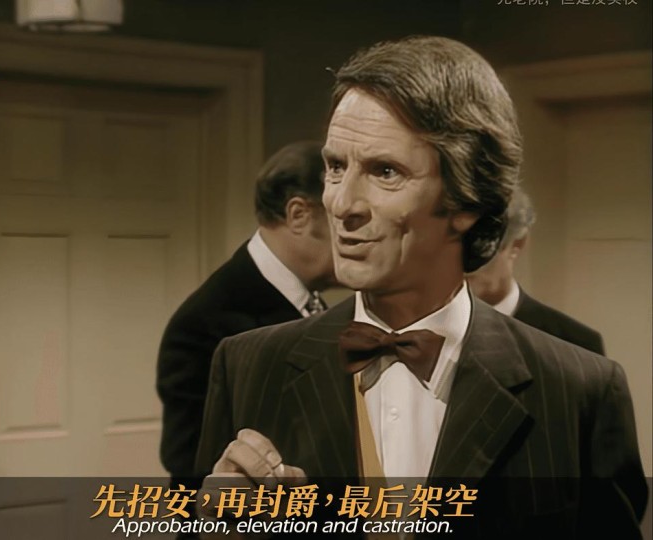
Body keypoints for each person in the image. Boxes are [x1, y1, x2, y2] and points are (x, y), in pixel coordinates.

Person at [195, 37, 647, 538]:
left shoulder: (579, 390)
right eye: (336, 167)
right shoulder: (248, 367)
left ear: (466, 201)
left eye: (384, 171)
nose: (342, 204)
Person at [156, 140, 337, 495]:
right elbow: (193, 476)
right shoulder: (204, 324)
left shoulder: (312, 303)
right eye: (342, 218)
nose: (355, 235)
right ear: (298, 215)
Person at [467, 188, 605, 355]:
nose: (462, 264)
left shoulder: (575, 344)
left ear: (517, 244)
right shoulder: (435, 328)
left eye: (481, 248)